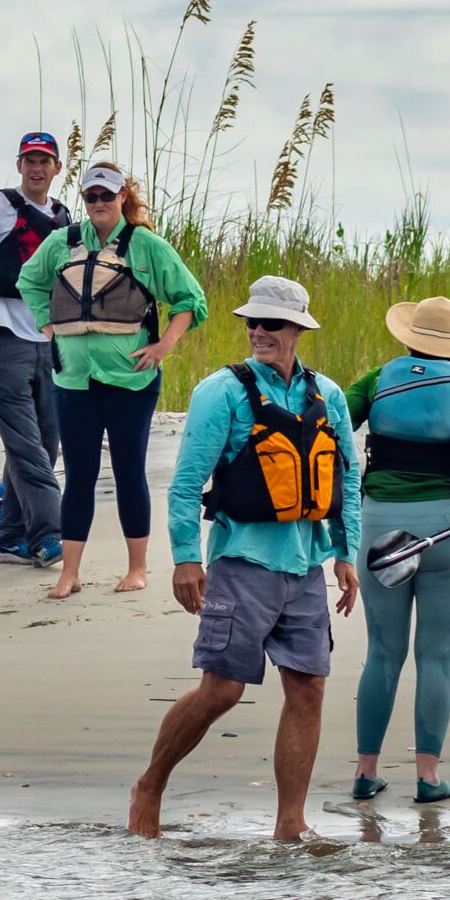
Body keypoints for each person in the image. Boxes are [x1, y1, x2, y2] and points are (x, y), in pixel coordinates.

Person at [130, 276, 361, 840]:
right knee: (223, 690)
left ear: (299, 330)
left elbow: (347, 479)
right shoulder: (222, 391)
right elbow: (186, 484)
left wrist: (345, 553)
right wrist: (187, 558)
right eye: (252, 322)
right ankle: (151, 784)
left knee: (308, 687)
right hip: (240, 563)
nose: (259, 331)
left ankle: (290, 825)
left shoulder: (326, 395)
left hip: (305, 566)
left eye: (272, 323)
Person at [15, 161, 208, 599]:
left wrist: (163, 347)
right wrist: (47, 324)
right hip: (73, 378)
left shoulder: (147, 246)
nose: (98, 203)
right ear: (83, 200)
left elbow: (190, 300)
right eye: (90, 197)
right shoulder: (61, 243)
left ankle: (137, 568)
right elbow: (29, 280)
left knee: (127, 470)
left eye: (107, 195)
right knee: (79, 473)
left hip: (131, 378)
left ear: (123, 196)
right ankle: (70, 573)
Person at [349, 296, 450, 805]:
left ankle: (366, 772)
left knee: (381, 652)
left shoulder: (375, 379)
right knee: (436, 656)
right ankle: (429, 777)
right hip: (448, 529)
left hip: (379, 525)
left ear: (409, 336)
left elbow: (330, 424)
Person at [0, 131, 72, 566]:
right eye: (29, 160)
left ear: (58, 168)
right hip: (3, 336)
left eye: (45, 160)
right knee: (25, 444)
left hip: (51, 341)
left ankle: (8, 535)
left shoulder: (64, 219)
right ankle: (50, 534)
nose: (36, 168)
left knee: (46, 439)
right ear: (19, 165)